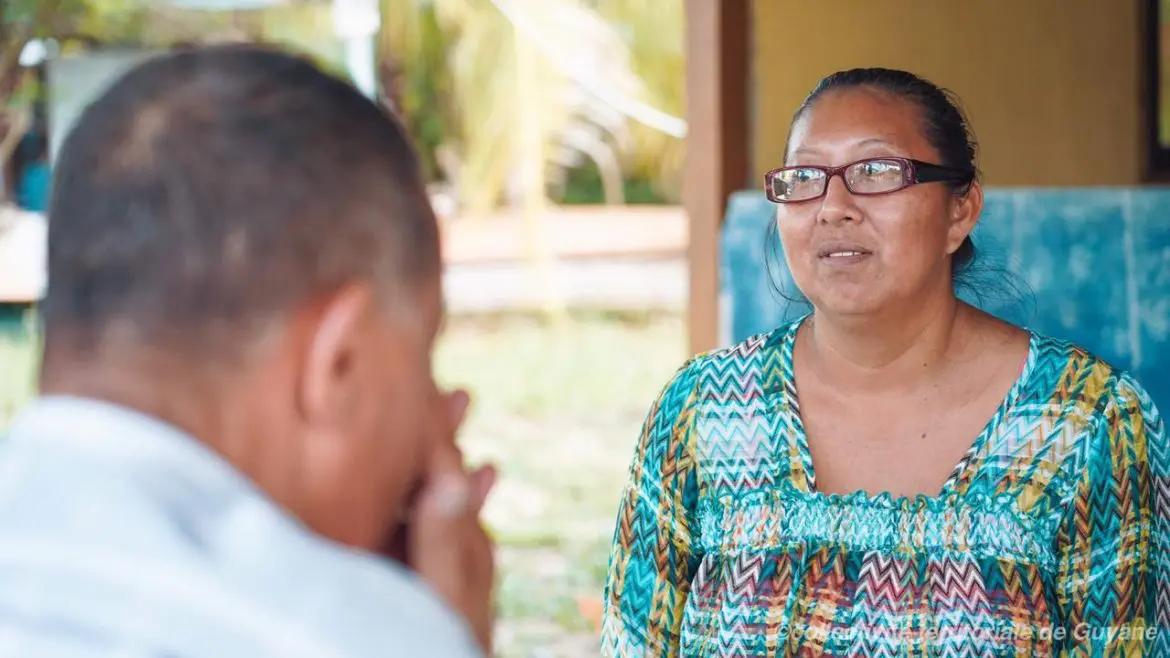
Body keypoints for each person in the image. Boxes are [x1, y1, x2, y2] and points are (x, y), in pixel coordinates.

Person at [602, 68, 1168, 656]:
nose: (833, 207)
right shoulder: (705, 409)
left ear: (960, 211)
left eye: (876, 172)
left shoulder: (1085, 421)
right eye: (805, 177)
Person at [0, 45, 495, 657]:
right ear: (338, 363)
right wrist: (441, 631)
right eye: (423, 358)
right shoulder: (345, 635)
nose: (434, 415)